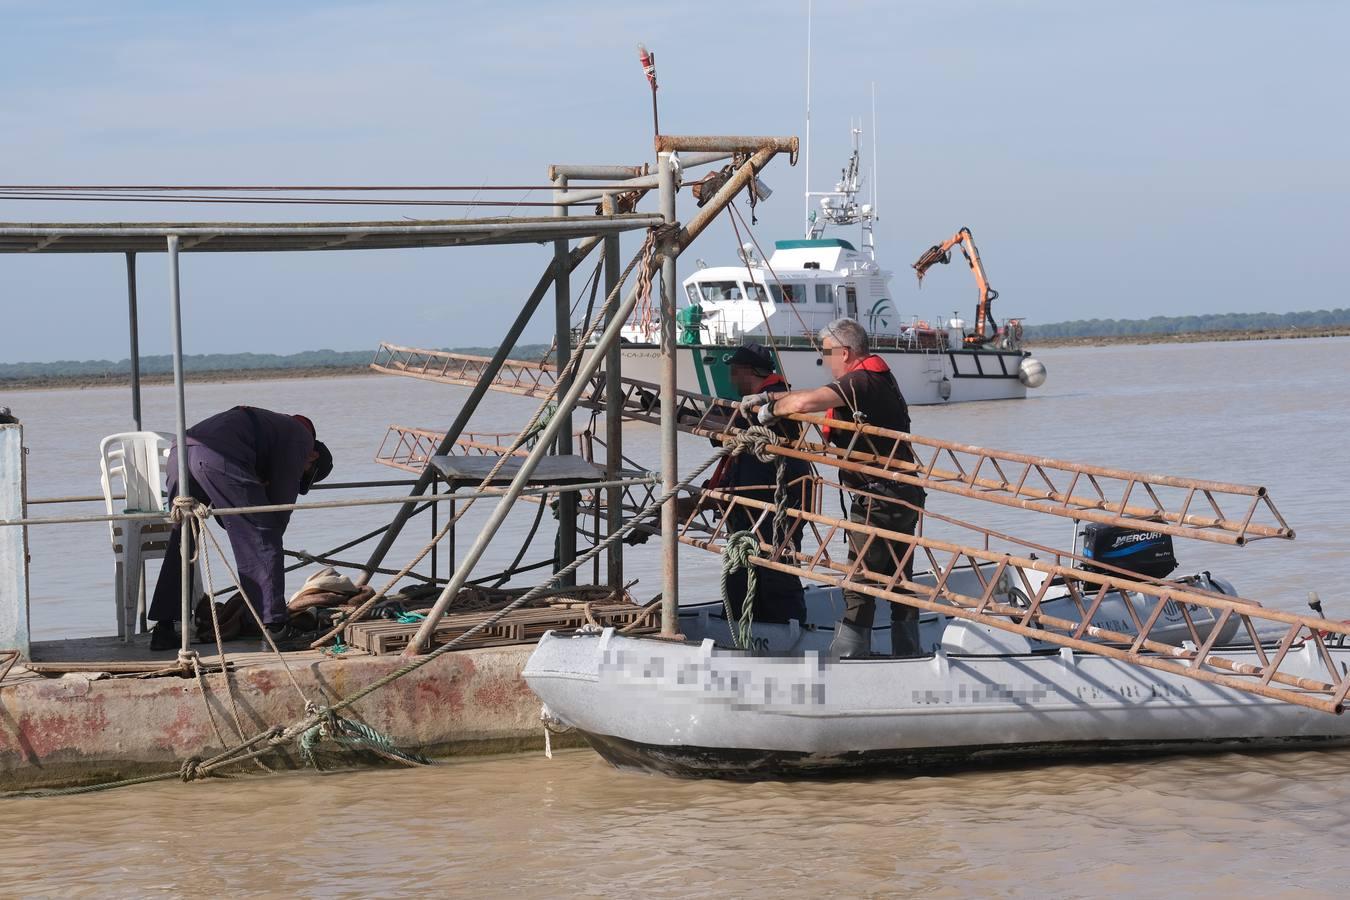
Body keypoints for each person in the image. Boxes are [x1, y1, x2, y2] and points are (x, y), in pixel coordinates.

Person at [740, 318, 927, 658]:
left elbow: (802, 404)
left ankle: (851, 654)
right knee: (898, 576)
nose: (824, 359)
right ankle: (907, 649)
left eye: (827, 352)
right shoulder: (875, 378)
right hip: (900, 494)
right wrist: (770, 395)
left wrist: (770, 410)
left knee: (860, 579)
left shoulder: (862, 381)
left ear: (846, 351)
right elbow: (812, 395)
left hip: (879, 499)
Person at [148, 406, 333, 650]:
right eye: (304, 474)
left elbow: (233, 517)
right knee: (263, 536)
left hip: (179, 453)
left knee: (182, 540)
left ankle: (164, 627)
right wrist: (260, 542)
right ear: (312, 457)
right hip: (216, 455)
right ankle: (275, 629)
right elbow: (276, 512)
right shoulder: (301, 438)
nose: (299, 474)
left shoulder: (270, 429)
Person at [707, 343, 809, 626]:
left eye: (733, 372)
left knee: (775, 571)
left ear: (745, 371)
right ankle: (747, 628)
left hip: (773, 504)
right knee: (743, 573)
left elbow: (737, 429)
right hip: (753, 504)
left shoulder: (773, 405)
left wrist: (679, 414)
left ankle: (787, 632)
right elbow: (730, 430)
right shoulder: (757, 405)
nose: (730, 379)